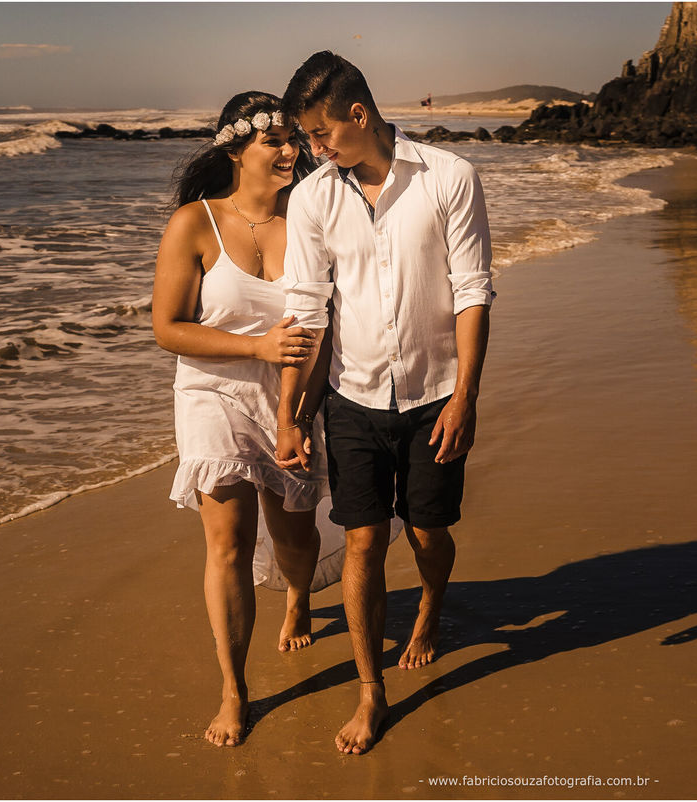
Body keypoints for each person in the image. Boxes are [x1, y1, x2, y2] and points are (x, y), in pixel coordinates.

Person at [275, 52, 494, 755]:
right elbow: (307, 314)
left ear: (357, 114)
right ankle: (372, 693)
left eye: (319, 134)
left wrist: (465, 397)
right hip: (353, 398)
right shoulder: (313, 199)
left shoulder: (449, 177)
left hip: (435, 397)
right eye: (308, 138)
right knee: (364, 541)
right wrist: (291, 413)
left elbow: (472, 291)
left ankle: (431, 604)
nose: (312, 150)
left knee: (429, 534)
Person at [152, 91, 332, 748]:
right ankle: (235, 690)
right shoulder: (193, 224)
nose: (290, 151)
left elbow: (321, 329)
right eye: (274, 140)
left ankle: (299, 594)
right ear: (235, 148)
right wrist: (255, 345)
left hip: (290, 395)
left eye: (294, 140)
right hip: (211, 393)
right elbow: (168, 329)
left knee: (295, 540)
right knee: (225, 545)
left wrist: (301, 413)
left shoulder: (307, 222)